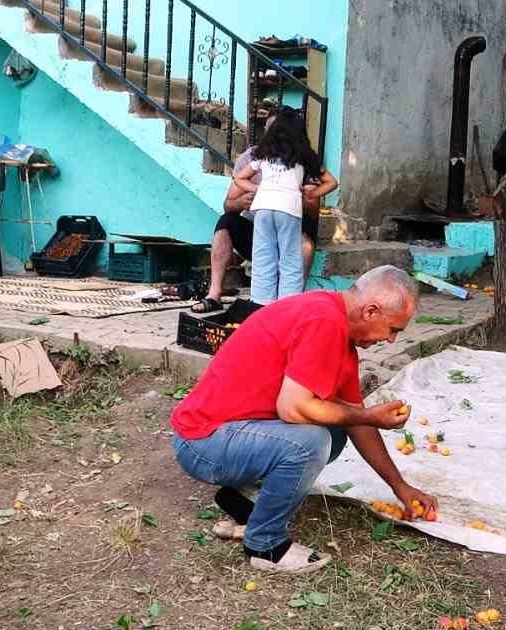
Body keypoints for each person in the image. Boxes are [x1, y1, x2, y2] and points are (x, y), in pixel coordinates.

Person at [171, 265, 438, 574]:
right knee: (312, 442)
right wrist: (367, 415)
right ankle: (265, 545)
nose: (391, 341)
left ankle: (245, 502)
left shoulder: (334, 324)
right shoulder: (323, 322)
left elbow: (356, 421)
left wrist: (400, 486)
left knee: (335, 431)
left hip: (228, 433)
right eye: (393, 330)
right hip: (203, 441)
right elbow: (293, 408)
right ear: (371, 311)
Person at [200, 119, 331, 310]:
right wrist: (244, 198)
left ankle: (263, 304)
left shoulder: (268, 156)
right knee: (287, 259)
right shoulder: (266, 155)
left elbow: (312, 211)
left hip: (272, 216)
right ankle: (217, 294)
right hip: (274, 218)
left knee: (269, 259)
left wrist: (308, 194)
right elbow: (229, 204)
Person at [232, 108, 338, 306]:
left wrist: (259, 188)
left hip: (263, 209)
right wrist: (312, 193)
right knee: (290, 259)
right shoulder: (304, 156)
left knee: (263, 257)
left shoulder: (263, 154)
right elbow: (332, 182)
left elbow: (238, 177)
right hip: (288, 210)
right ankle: (287, 307)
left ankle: (261, 305)